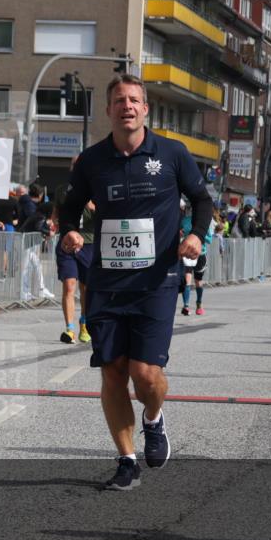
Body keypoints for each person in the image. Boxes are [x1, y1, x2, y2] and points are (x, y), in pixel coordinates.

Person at [59, 74, 213, 491]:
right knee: (112, 371)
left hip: (156, 280)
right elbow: (68, 207)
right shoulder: (91, 161)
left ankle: (153, 417)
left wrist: (196, 234)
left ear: (145, 109)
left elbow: (201, 199)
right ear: (108, 110)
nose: (127, 106)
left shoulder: (172, 154)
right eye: (119, 100)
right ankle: (127, 460)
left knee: (145, 376)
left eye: (134, 100)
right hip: (107, 282)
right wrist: (69, 232)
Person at [54, 179, 94, 343]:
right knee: (69, 286)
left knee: (86, 288)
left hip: (89, 244)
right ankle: (69, 329)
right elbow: (57, 211)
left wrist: (89, 205)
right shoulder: (62, 189)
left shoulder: (96, 187)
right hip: (67, 244)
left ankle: (84, 323)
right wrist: (54, 221)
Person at [179, 201, 214, 313]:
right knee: (190, 279)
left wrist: (196, 237)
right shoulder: (187, 221)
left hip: (199, 253)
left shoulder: (198, 222)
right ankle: (189, 306)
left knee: (195, 280)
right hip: (189, 253)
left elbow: (209, 239)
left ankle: (194, 305)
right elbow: (179, 232)